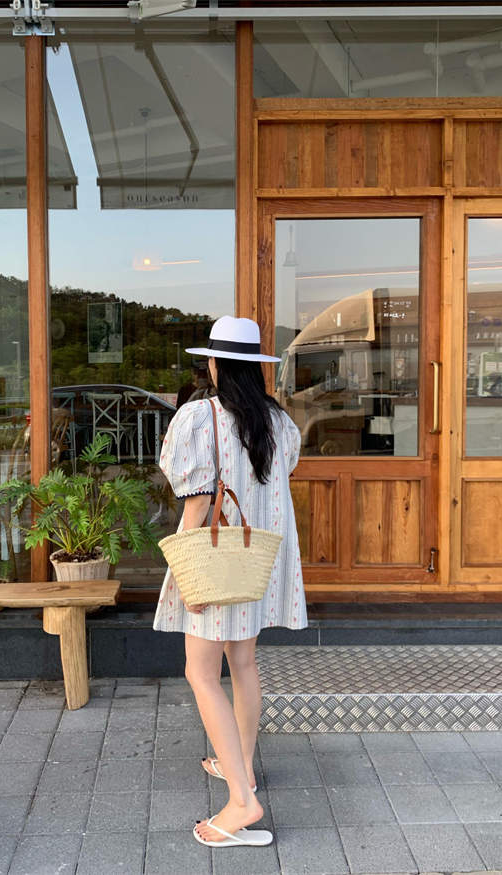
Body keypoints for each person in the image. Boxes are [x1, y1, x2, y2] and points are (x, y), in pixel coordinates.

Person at [153, 315, 307, 848]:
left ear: (216, 365)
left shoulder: (201, 418)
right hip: (257, 561)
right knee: (243, 663)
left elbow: (197, 502)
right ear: (256, 369)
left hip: (216, 561)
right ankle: (239, 764)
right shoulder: (279, 423)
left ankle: (242, 801)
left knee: (200, 672)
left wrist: (184, 569)